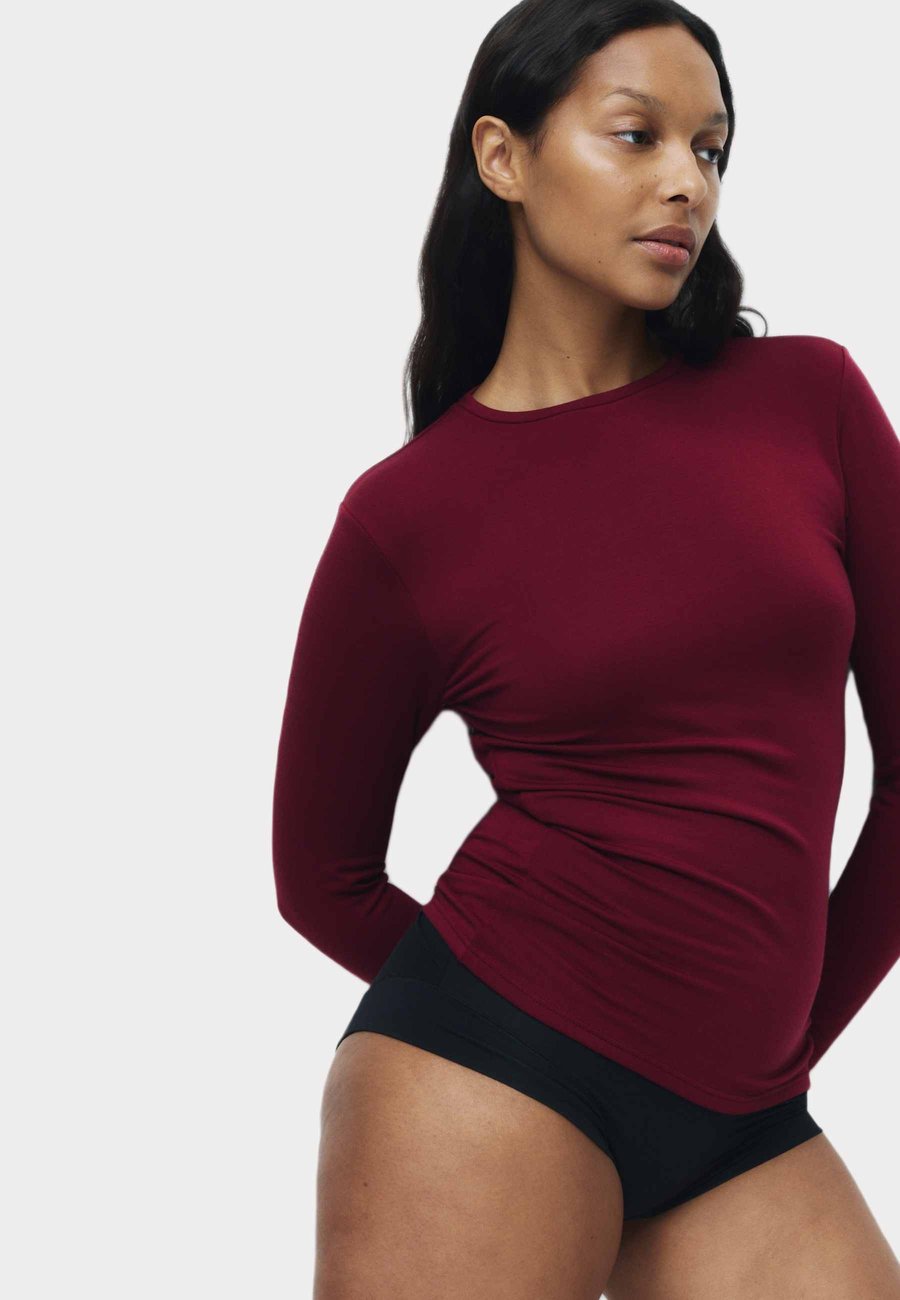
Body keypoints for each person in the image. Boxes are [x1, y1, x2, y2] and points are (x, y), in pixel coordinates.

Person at [271, 2, 900, 1295]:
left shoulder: (810, 400)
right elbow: (320, 875)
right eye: (636, 135)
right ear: (503, 158)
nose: (687, 181)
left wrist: (769, 1043)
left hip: (746, 1114)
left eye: (711, 148)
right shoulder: (407, 518)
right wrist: (525, 1021)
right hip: (488, 1078)